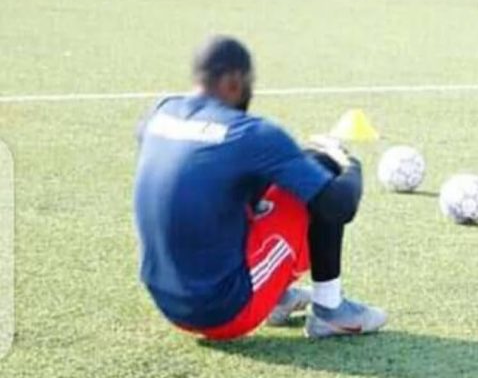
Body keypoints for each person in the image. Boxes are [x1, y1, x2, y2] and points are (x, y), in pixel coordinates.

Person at [133, 35, 386, 340]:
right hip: (222, 311)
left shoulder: (159, 113)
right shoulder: (251, 133)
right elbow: (339, 205)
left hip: (166, 302)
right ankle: (331, 312)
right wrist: (347, 162)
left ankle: (276, 295)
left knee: (242, 181)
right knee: (320, 168)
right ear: (234, 82)